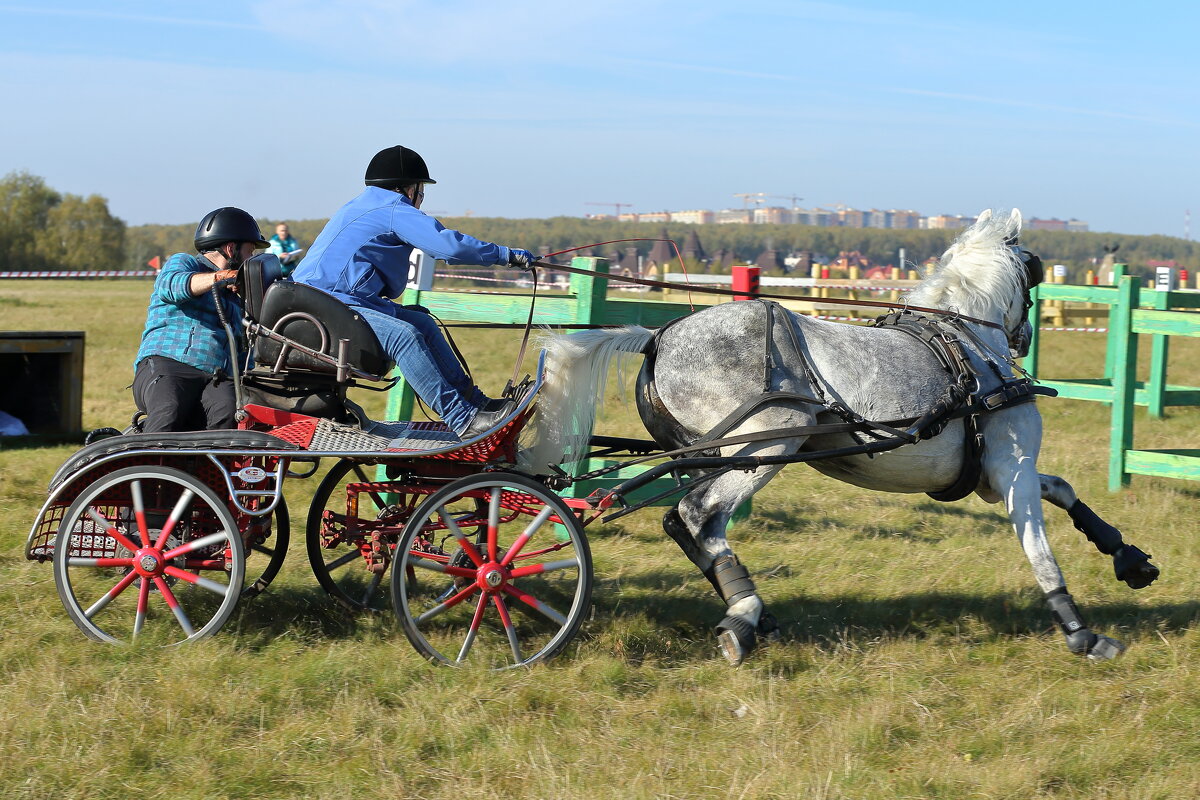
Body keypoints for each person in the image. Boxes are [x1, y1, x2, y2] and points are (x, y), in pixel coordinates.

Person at [291, 145, 537, 439]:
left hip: (328, 301)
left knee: (421, 322)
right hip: (328, 304)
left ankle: (476, 404)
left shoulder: (363, 204)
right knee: (403, 336)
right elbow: (450, 246)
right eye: (421, 191)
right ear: (409, 189)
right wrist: (505, 255)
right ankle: (462, 419)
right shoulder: (392, 209)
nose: (421, 199)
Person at [132, 207, 270, 433]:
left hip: (217, 376)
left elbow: (244, 353)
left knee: (231, 413)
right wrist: (222, 277)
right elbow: (171, 286)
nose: (251, 259)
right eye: (249, 251)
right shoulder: (185, 263)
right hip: (168, 364)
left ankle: (210, 468)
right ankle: (146, 465)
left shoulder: (239, 296)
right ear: (230, 248)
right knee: (170, 409)